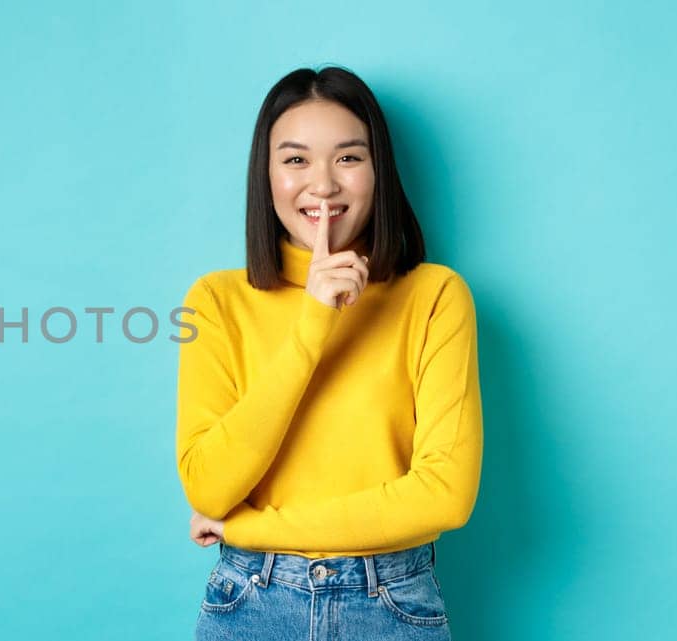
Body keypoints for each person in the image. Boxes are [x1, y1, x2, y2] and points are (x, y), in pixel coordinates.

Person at [175, 66, 482, 641]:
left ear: (378, 172)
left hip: (392, 604)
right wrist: (315, 319)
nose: (322, 185)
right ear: (265, 177)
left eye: (348, 158)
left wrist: (251, 527)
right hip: (251, 602)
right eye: (295, 160)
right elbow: (208, 487)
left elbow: (445, 496)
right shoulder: (215, 301)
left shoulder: (435, 296)